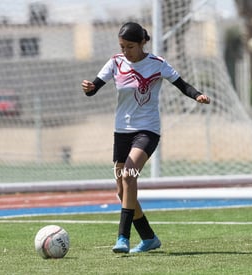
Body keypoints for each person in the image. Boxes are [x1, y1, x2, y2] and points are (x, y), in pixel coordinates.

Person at [81, 22, 210, 253]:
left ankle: (123, 238)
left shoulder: (157, 64)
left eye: (130, 46)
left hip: (147, 131)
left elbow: (182, 85)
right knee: (122, 190)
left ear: (142, 43)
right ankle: (149, 238)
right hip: (121, 132)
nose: (125, 51)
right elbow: (94, 88)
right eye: (122, 46)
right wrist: (89, 87)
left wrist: (198, 95)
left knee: (129, 175)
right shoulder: (115, 62)